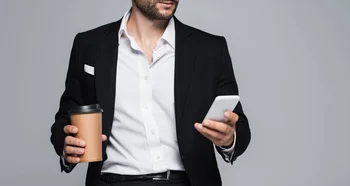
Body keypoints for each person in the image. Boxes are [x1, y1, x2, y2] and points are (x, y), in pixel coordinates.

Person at [49, 0, 251, 185]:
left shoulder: (210, 49)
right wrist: (67, 146)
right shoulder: (90, 45)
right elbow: (66, 117)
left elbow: (238, 126)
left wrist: (229, 139)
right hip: (112, 181)